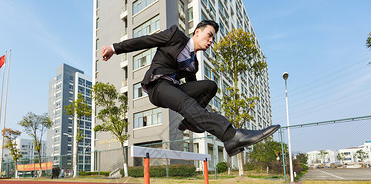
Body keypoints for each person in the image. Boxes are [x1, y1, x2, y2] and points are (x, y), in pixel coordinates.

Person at [101, 20, 280, 157]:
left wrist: (197, 116)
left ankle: (189, 122)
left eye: (213, 39)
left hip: (173, 88)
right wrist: (114, 48)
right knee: (186, 102)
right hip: (157, 86)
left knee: (209, 86)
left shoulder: (193, 64)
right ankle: (231, 135)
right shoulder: (175, 36)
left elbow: (195, 90)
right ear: (197, 32)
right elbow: (145, 41)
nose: (211, 41)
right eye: (209, 35)